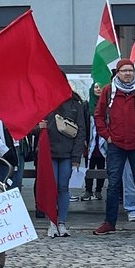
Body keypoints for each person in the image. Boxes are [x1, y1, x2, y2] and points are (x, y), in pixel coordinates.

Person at [94, 56, 135, 235]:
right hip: (115, 144)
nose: (128, 74)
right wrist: (106, 135)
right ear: (118, 73)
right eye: (124, 71)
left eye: (130, 70)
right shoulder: (108, 91)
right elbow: (98, 115)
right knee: (114, 184)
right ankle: (109, 223)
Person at [42, 92, 88, 238]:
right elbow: (32, 127)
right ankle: (52, 222)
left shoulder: (75, 104)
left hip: (67, 154)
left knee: (63, 187)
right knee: (52, 187)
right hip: (49, 153)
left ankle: (61, 222)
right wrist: (39, 128)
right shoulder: (44, 101)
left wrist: (76, 156)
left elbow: (81, 131)